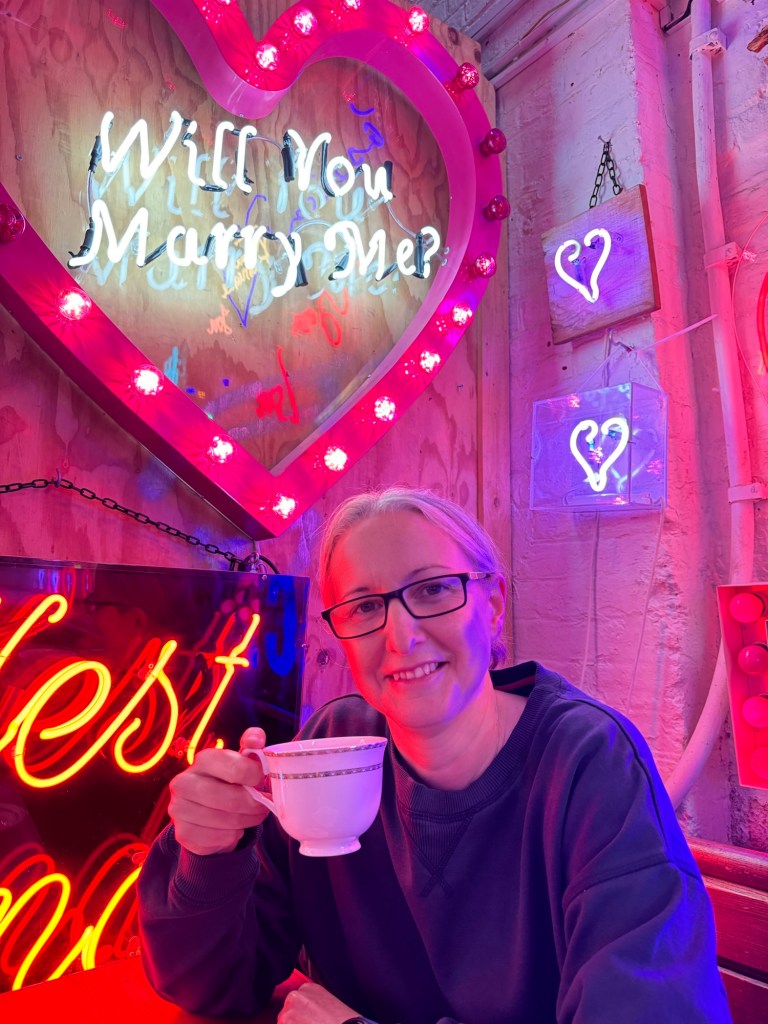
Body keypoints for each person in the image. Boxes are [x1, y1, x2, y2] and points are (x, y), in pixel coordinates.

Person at [137, 487, 732, 1024]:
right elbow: (211, 985)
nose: (401, 636)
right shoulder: (327, 750)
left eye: (432, 590)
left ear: (492, 603)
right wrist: (207, 854)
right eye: (365, 607)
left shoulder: (589, 764)